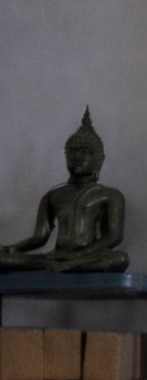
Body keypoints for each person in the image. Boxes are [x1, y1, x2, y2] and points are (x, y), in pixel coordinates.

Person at [0, 108, 129, 273]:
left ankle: (67, 266)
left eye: (85, 152)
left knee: (120, 258)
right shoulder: (53, 195)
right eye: (72, 152)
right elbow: (40, 237)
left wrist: (77, 255)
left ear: (99, 159)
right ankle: (56, 266)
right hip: (56, 255)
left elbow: (113, 237)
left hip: (86, 256)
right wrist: (14, 248)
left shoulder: (110, 195)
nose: (77, 157)